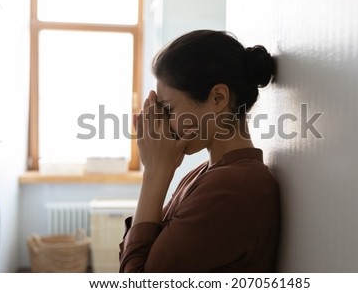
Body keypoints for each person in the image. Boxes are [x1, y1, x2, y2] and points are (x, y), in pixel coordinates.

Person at [119, 29, 280, 272]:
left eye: (169, 109)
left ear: (217, 98)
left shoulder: (233, 187)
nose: (165, 123)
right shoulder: (207, 173)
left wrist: (155, 174)